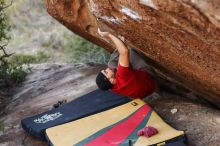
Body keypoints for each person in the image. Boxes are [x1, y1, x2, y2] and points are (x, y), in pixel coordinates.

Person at [96, 29, 156, 99]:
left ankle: (120, 44)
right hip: (151, 79)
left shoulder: (111, 87)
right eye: (106, 72)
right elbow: (125, 52)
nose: (107, 69)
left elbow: (118, 70)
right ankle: (121, 43)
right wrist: (109, 35)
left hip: (142, 91)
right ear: (112, 80)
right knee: (130, 53)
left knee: (111, 64)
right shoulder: (122, 76)